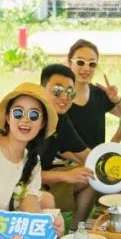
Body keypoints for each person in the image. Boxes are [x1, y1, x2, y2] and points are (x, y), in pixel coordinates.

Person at [0, 83, 65, 235]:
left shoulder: (32, 160)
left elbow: (28, 200)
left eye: (34, 115)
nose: (25, 120)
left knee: (47, 201)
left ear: (42, 124)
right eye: (18, 113)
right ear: (8, 118)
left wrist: (48, 225)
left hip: (3, 234)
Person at [38, 63, 96, 229]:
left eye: (70, 92)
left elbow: (89, 156)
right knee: (46, 199)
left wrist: (119, 175)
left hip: (41, 182)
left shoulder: (60, 119)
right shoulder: (30, 120)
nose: (64, 97)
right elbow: (20, 175)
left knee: (89, 174)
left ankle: (76, 232)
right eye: (57, 90)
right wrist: (65, 176)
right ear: (41, 89)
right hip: (17, 189)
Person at [64, 38, 121, 148]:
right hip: (66, 159)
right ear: (70, 63)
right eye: (80, 62)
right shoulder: (59, 96)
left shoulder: (99, 94)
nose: (86, 68)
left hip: (96, 157)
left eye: (92, 64)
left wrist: (116, 99)